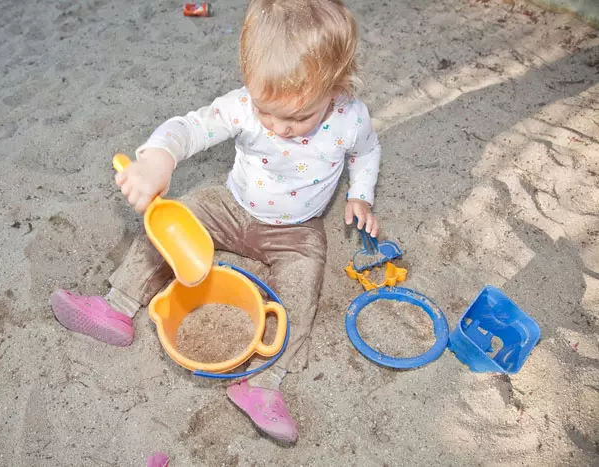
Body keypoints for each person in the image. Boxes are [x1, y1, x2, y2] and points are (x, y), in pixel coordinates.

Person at [50, 0, 381, 444]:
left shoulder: (349, 117)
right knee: (171, 222)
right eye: (269, 113)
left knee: (303, 290)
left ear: (338, 85)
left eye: (300, 117)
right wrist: (158, 158)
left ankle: (262, 384)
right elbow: (189, 127)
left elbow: (367, 152)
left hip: (297, 229)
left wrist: (360, 194)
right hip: (231, 206)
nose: (281, 128)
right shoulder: (244, 106)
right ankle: (117, 306)